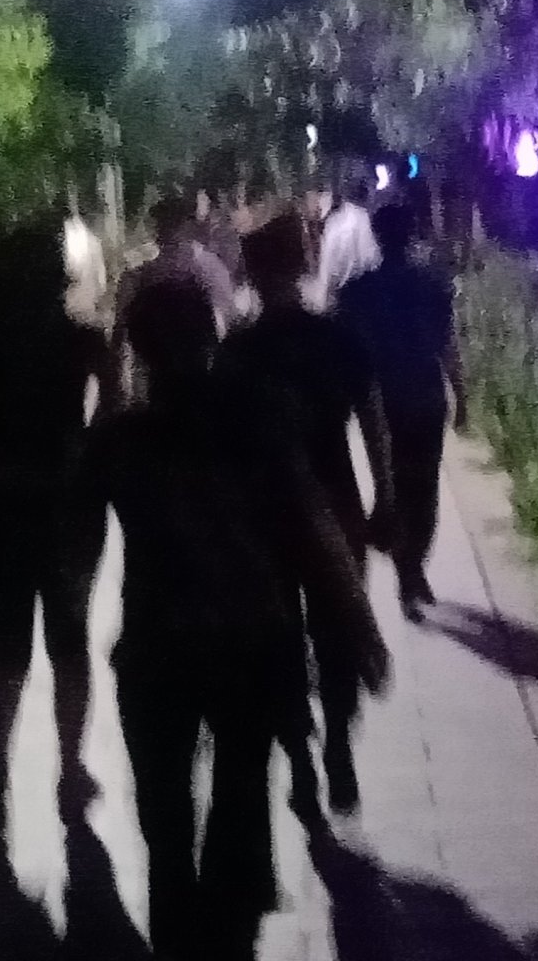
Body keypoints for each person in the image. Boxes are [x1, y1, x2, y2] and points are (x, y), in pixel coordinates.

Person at [77, 277, 382, 961]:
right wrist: (357, 621)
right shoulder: (259, 416)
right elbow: (309, 523)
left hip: (156, 645)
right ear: (211, 336)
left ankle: (177, 931)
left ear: (140, 350)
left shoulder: (120, 440)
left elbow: (79, 550)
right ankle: (229, 929)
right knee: (241, 791)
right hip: (251, 637)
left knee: (164, 816)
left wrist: (68, 611)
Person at [218, 209, 393, 816]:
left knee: (279, 640)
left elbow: (222, 444)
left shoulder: (240, 350)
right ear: (301, 265)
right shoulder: (338, 338)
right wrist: (385, 494)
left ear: (253, 271)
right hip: (336, 500)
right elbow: (373, 420)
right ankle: (338, 742)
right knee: (338, 630)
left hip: (262, 515)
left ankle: (299, 760)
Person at [0, 218, 114, 842]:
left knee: (4, 652)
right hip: (65, 505)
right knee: (70, 644)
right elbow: (114, 411)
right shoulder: (82, 340)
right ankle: (70, 770)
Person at [333, 197, 467, 619]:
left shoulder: (356, 292)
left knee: (390, 484)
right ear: (412, 235)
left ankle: (402, 560)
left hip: (378, 400)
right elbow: (447, 345)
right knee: (424, 485)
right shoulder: (433, 286)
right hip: (424, 395)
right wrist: (461, 394)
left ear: (376, 236)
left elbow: (344, 354)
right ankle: (411, 568)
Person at [119, 192, 248, 342]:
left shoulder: (207, 267)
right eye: (162, 226)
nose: (164, 232)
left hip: (195, 341)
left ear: (187, 227)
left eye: (171, 225)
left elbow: (225, 314)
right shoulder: (142, 269)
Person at [314, 164, 384, 310]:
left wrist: (323, 297)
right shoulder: (362, 218)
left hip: (341, 292)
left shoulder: (334, 222)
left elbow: (326, 265)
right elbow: (371, 259)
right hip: (360, 291)